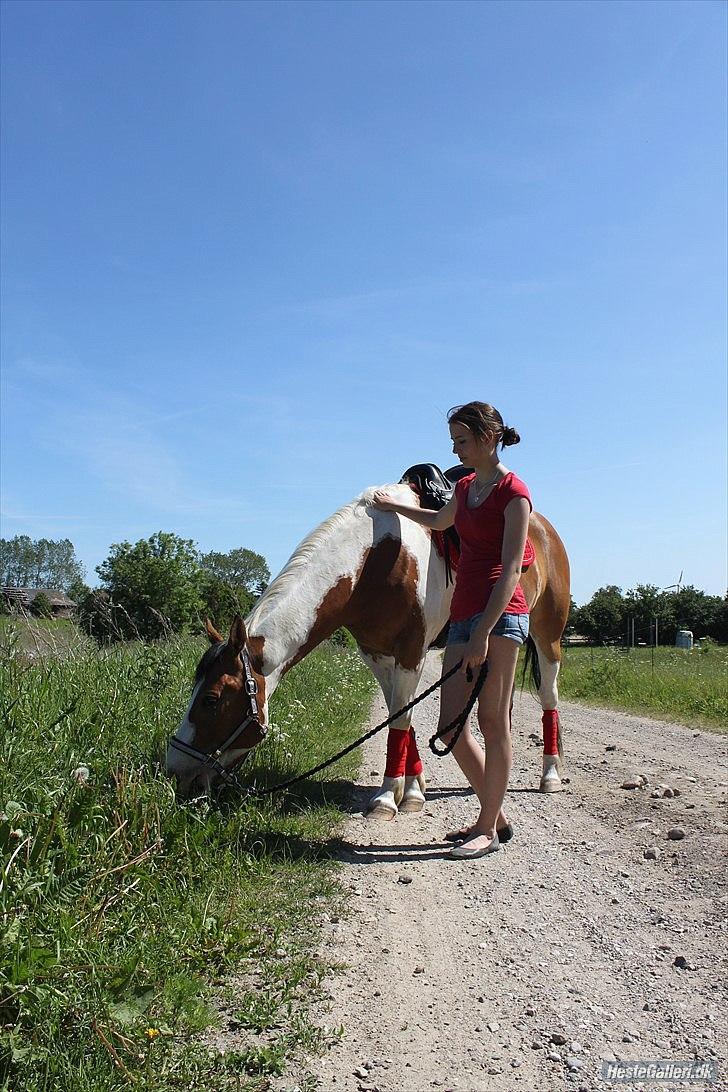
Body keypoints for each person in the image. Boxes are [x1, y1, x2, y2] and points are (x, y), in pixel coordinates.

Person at [372, 401, 533, 860]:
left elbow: (509, 572)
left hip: (499, 616)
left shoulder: (514, 493)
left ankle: (485, 827)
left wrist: (483, 632)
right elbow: (441, 522)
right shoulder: (464, 488)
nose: (455, 449)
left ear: (487, 438)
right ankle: (494, 817)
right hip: (464, 615)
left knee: (491, 722)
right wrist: (398, 508)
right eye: (453, 440)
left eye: (461, 440)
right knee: (450, 727)